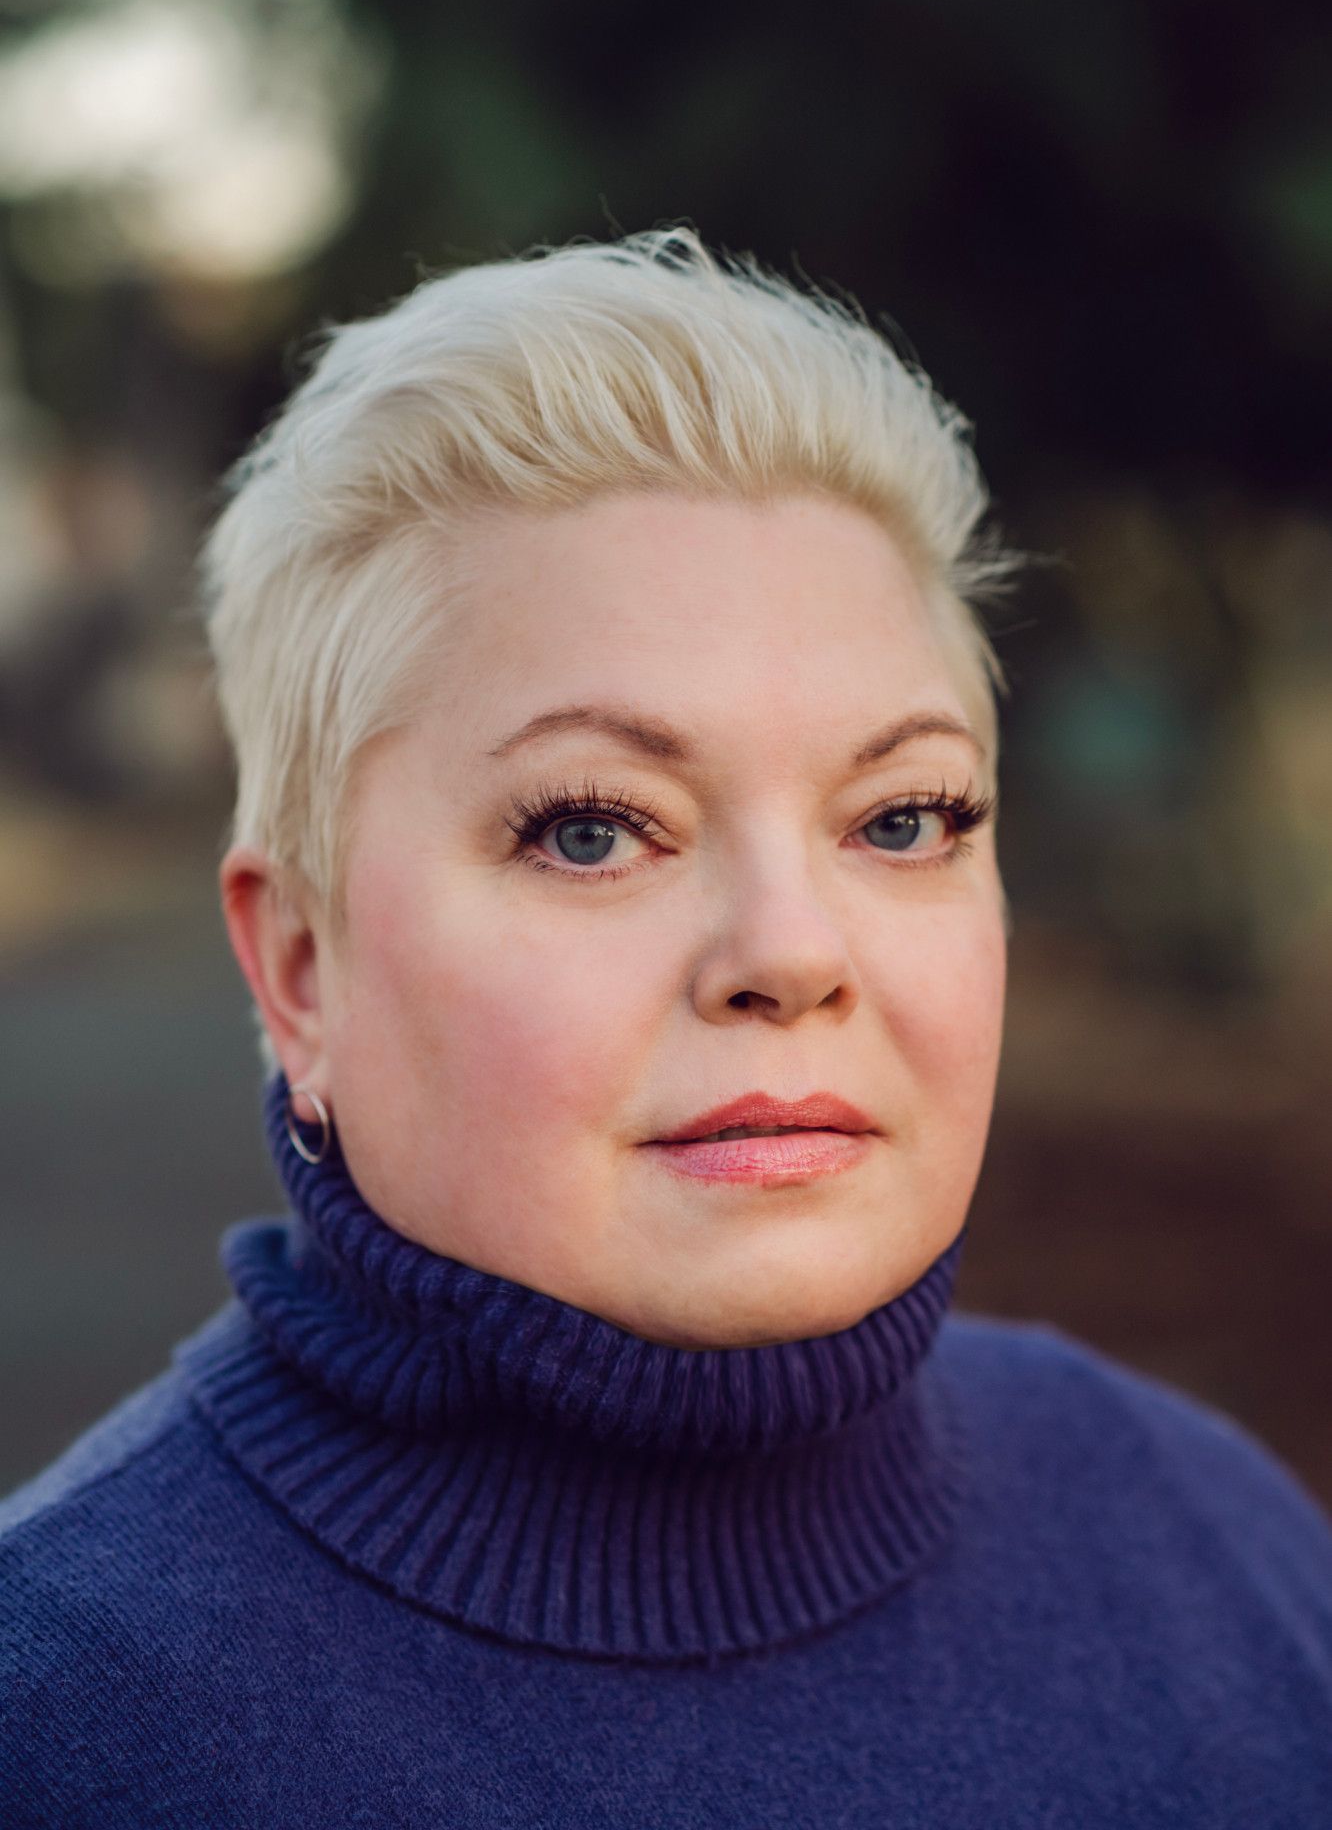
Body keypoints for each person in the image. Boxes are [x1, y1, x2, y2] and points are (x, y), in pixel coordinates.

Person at [1, 227, 1329, 1827]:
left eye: (903, 819)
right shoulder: (67, 1721)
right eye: (590, 829)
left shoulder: (1222, 1558)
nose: (789, 953)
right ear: (298, 969)